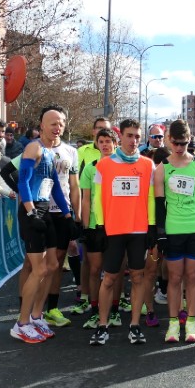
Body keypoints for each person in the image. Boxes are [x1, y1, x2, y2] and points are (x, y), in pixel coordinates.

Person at [11, 106, 79, 344]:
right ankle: (21, 323)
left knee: (51, 265)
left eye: (60, 122)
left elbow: (57, 188)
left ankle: (38, 316)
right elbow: (23, 181)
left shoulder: (51, 153)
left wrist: (69, 216)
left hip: (47, 212)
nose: (57, 126)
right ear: (41, 125)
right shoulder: (34, 148)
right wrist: (31, 213)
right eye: (52, 122)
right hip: (33, 212)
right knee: (37, 268)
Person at [90, 119, 157, 346]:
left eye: (137, 136)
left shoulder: (148, 164)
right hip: (114, 230)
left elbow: (150, 197)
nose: (134, 140)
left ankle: (135, 325)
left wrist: (152, 226)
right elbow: (97, 198)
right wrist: (99, 225)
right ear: (121, 137)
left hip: (138, 230)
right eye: (129, 135)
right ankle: (102, 325)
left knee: (138, 277)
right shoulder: (104, 165)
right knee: (109, 278)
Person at [154, 119, 195, 344]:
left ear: (190, 141)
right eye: (176, 143)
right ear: (169, 140)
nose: (180, 148)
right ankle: (171, 324)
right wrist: (161, 232)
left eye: (184, 143)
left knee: (192, 276)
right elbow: (160, 205)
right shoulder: (162, 169)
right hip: (173, 229)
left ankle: (191, 322)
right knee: (175, 278)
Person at [78, 128, 117, 330]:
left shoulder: (122, 167)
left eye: (108, 141)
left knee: (115, 271)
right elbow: (86, 199)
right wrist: (85, 226)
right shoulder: (90, 168)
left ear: (115, 144)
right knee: (94, 269)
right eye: (101, 141)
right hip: (94, 226)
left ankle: (115, 310)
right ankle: (95, 310)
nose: (105, 144)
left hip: (117, 225)